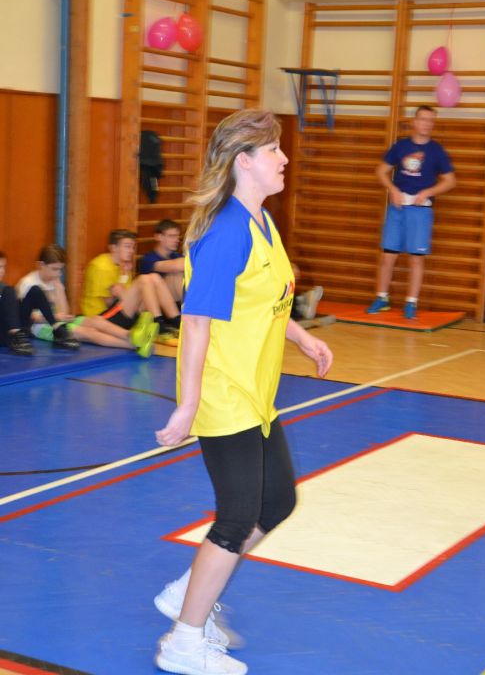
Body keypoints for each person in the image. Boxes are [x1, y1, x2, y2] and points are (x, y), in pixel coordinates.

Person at [153, 109, 333, 675]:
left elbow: (266, 299)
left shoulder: (262, 222)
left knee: (277, 503)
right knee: (235, 519)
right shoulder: (226, 231)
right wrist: (187, 405)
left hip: (256, 394)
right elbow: (196, 323)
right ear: (244, 161)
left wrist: (301, 337)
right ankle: (184, 642)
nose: (284, 159)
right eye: (274, 150)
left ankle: (189, 591)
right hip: (224, 394)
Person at [366, 105, 456, 319]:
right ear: (414, 122)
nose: (427, 124)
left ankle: (411, 302)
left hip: (420, 211)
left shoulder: (436, 151)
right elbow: (381, 171)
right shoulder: (401, 146)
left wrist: (428, 192)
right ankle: (382, 298)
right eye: (423, 119)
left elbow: (450, 181)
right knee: (388, 255)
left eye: (431, 120)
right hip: (398, 208)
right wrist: (392, 189)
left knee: (416, 259)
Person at [16, 244, 158, 357]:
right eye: (54, 269)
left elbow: (64, 312)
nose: (58, 274)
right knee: (88, 332)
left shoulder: (55, 281)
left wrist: (59, 290)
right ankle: (134, 345)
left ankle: (131, 335)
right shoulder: (28, 283)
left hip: (58, 321)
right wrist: (55, 317)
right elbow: (28, 317)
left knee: (97, 321)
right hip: (41, 327)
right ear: (41, 265)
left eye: (60, 270)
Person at [81, 229, 181, 333]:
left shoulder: (124, 265)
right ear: (113, 248)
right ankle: (157, 322)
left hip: (122, 313)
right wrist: (122, 293)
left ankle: (175, 320)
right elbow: (109, 303)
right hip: (103, 318)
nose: (131, 251)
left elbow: (126, 295)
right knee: (143, 279)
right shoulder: (101, 267)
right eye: (127, 246)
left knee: (154, 277)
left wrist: (123, 280)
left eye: (133, 247)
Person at [140, 219, 184, 307]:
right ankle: (194, 309)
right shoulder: (148, 259)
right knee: (176, 275)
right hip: (153, 305)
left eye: (177, 236)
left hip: (175, 302)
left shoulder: (176, 256)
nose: (177, 240)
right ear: (159, 237)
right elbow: (177, 266)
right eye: (172, 236)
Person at [0, 251, 33, 355]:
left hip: (6, 334)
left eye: (3, 267)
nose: (2, 271)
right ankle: (16, 335)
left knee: (33, 291)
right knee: (8, 291)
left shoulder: (4, 289)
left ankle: (17, 335)